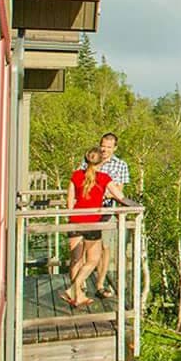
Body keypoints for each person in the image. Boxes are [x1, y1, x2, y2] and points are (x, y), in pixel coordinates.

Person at [62, 147, 127, 308]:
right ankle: (73, 290)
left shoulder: (76, 176)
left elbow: (70, 201)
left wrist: (71, 218)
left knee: (76, 259)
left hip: (75, 221)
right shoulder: (104, 178)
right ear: (101, 162)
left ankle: (77, 295)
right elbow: (120, 197)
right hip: (92, 223)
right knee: (93, 259)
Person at [80, 132, 130, 298]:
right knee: (87, 248)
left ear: (115, 148)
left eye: (109, 147)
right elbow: (80, 183)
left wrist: (100, 191)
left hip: (107, 211)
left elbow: (119, 192)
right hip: (87, 211)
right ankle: (81, 284)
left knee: (105, 248)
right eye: (103, 146)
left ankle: (100, 284)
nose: (104, 150)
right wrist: (105, 190)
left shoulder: (121, 165)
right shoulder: (91, 160)